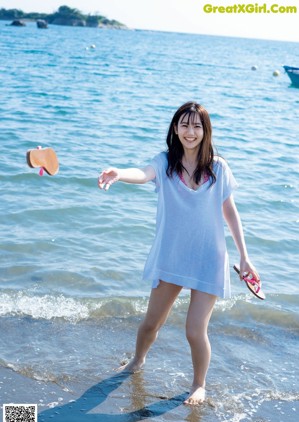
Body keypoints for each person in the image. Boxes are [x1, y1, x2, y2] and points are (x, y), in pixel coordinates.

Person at [98, 101, 260, 405]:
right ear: (175, 128)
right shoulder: (164, 163)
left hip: (209, 258)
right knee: (150, 323)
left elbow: (230, 212)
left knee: (195, 331)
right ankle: (137, 361)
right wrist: (119, 173)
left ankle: (199, 384)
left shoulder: (218, 167)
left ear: (205, 131)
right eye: (184, 125)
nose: (190, 131)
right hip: (172, 255)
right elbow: (143, 174)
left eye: (197, 126)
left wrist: (244, 255)